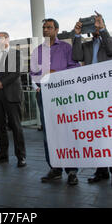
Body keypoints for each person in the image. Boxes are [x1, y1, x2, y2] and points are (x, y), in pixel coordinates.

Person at [72, 12, 112, 188]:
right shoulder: (85, 46)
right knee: (96, 134)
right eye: (90, 26)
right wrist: (77, 34)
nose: (93, 28)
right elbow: (76, 57)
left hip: (108, 93)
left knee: (111, 133)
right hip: (91, 94)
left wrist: (103, 30)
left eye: (96, 24)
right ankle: (101, 170)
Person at [30, 18, 80, 185]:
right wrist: (42, 76)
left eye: (49, 27)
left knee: (67, 130)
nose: (46, 30)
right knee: (49, 133)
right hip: (44, 95)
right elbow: (33, 73)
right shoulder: (37, 51)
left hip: (64, 94)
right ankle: (55, 168)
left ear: (56, 30)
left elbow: (75, 67)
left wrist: (55, 73)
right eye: (44, 27)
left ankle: (72, 170)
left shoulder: (66, 48)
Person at [0, 32, 27, 168]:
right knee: (0, 126)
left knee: (16, 126)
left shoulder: (16, 54)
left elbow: (16, 72)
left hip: (11, 94)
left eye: (1, 38)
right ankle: (3, 155)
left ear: (8, 39)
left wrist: (1, 83)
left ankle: (21, 156)